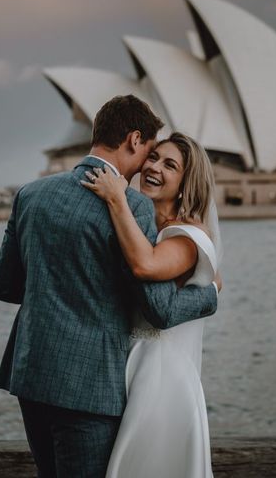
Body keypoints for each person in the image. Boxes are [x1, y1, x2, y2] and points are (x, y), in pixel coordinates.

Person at [0, 95, 219, 478]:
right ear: (133, 139)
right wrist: (209, 295)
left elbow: (2, 286)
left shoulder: (30, 194)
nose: (148, 163)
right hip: (89, 387)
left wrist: (51, 286)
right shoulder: (133, 206)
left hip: (31, 375)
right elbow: (159, 310)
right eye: (149, 151)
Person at [82, 131, 221, 478]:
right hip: (122, 367)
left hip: (160, 378)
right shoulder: (141, 224)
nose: (154, 167)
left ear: (187, 182)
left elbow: (146, 266)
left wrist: (116, 199)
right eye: (154, 157)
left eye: (170, 164)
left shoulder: (188, 236)